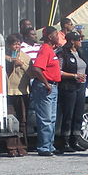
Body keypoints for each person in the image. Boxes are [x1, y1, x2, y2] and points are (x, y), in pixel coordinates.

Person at [27, 26, 63, 155]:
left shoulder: (51, 50)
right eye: (55, 34)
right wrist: (46, 83)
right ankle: (44, 147)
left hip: (53, 86)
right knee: (46, 118)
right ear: (49, 37)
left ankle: (50, 146)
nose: (58, 37)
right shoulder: (45, 50)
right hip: (45, 88)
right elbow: (37, 68)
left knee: (52, 118)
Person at [55, 29, 88, 152]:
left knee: (78, 114)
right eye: (78, 39)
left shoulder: (80, 52)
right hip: (68, 87)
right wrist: (74, 76)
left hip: (80, 87)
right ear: (72, 41)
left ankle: (75, 140)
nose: (81, 41)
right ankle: (64, 141)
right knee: (68, 114)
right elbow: (58, 71)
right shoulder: (63, 53)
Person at [4, 33, 31, 156]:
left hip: (22, 92)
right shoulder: (4, 57)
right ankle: (11, 147)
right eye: (14, 44)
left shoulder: (26, 57)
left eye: (19, 44)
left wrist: (22, 64)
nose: (17, 46)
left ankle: (22, 146)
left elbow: (31, 72)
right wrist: (10, 60)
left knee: (22, 120)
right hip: (8, 92)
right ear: (9, 46)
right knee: (11, 120)